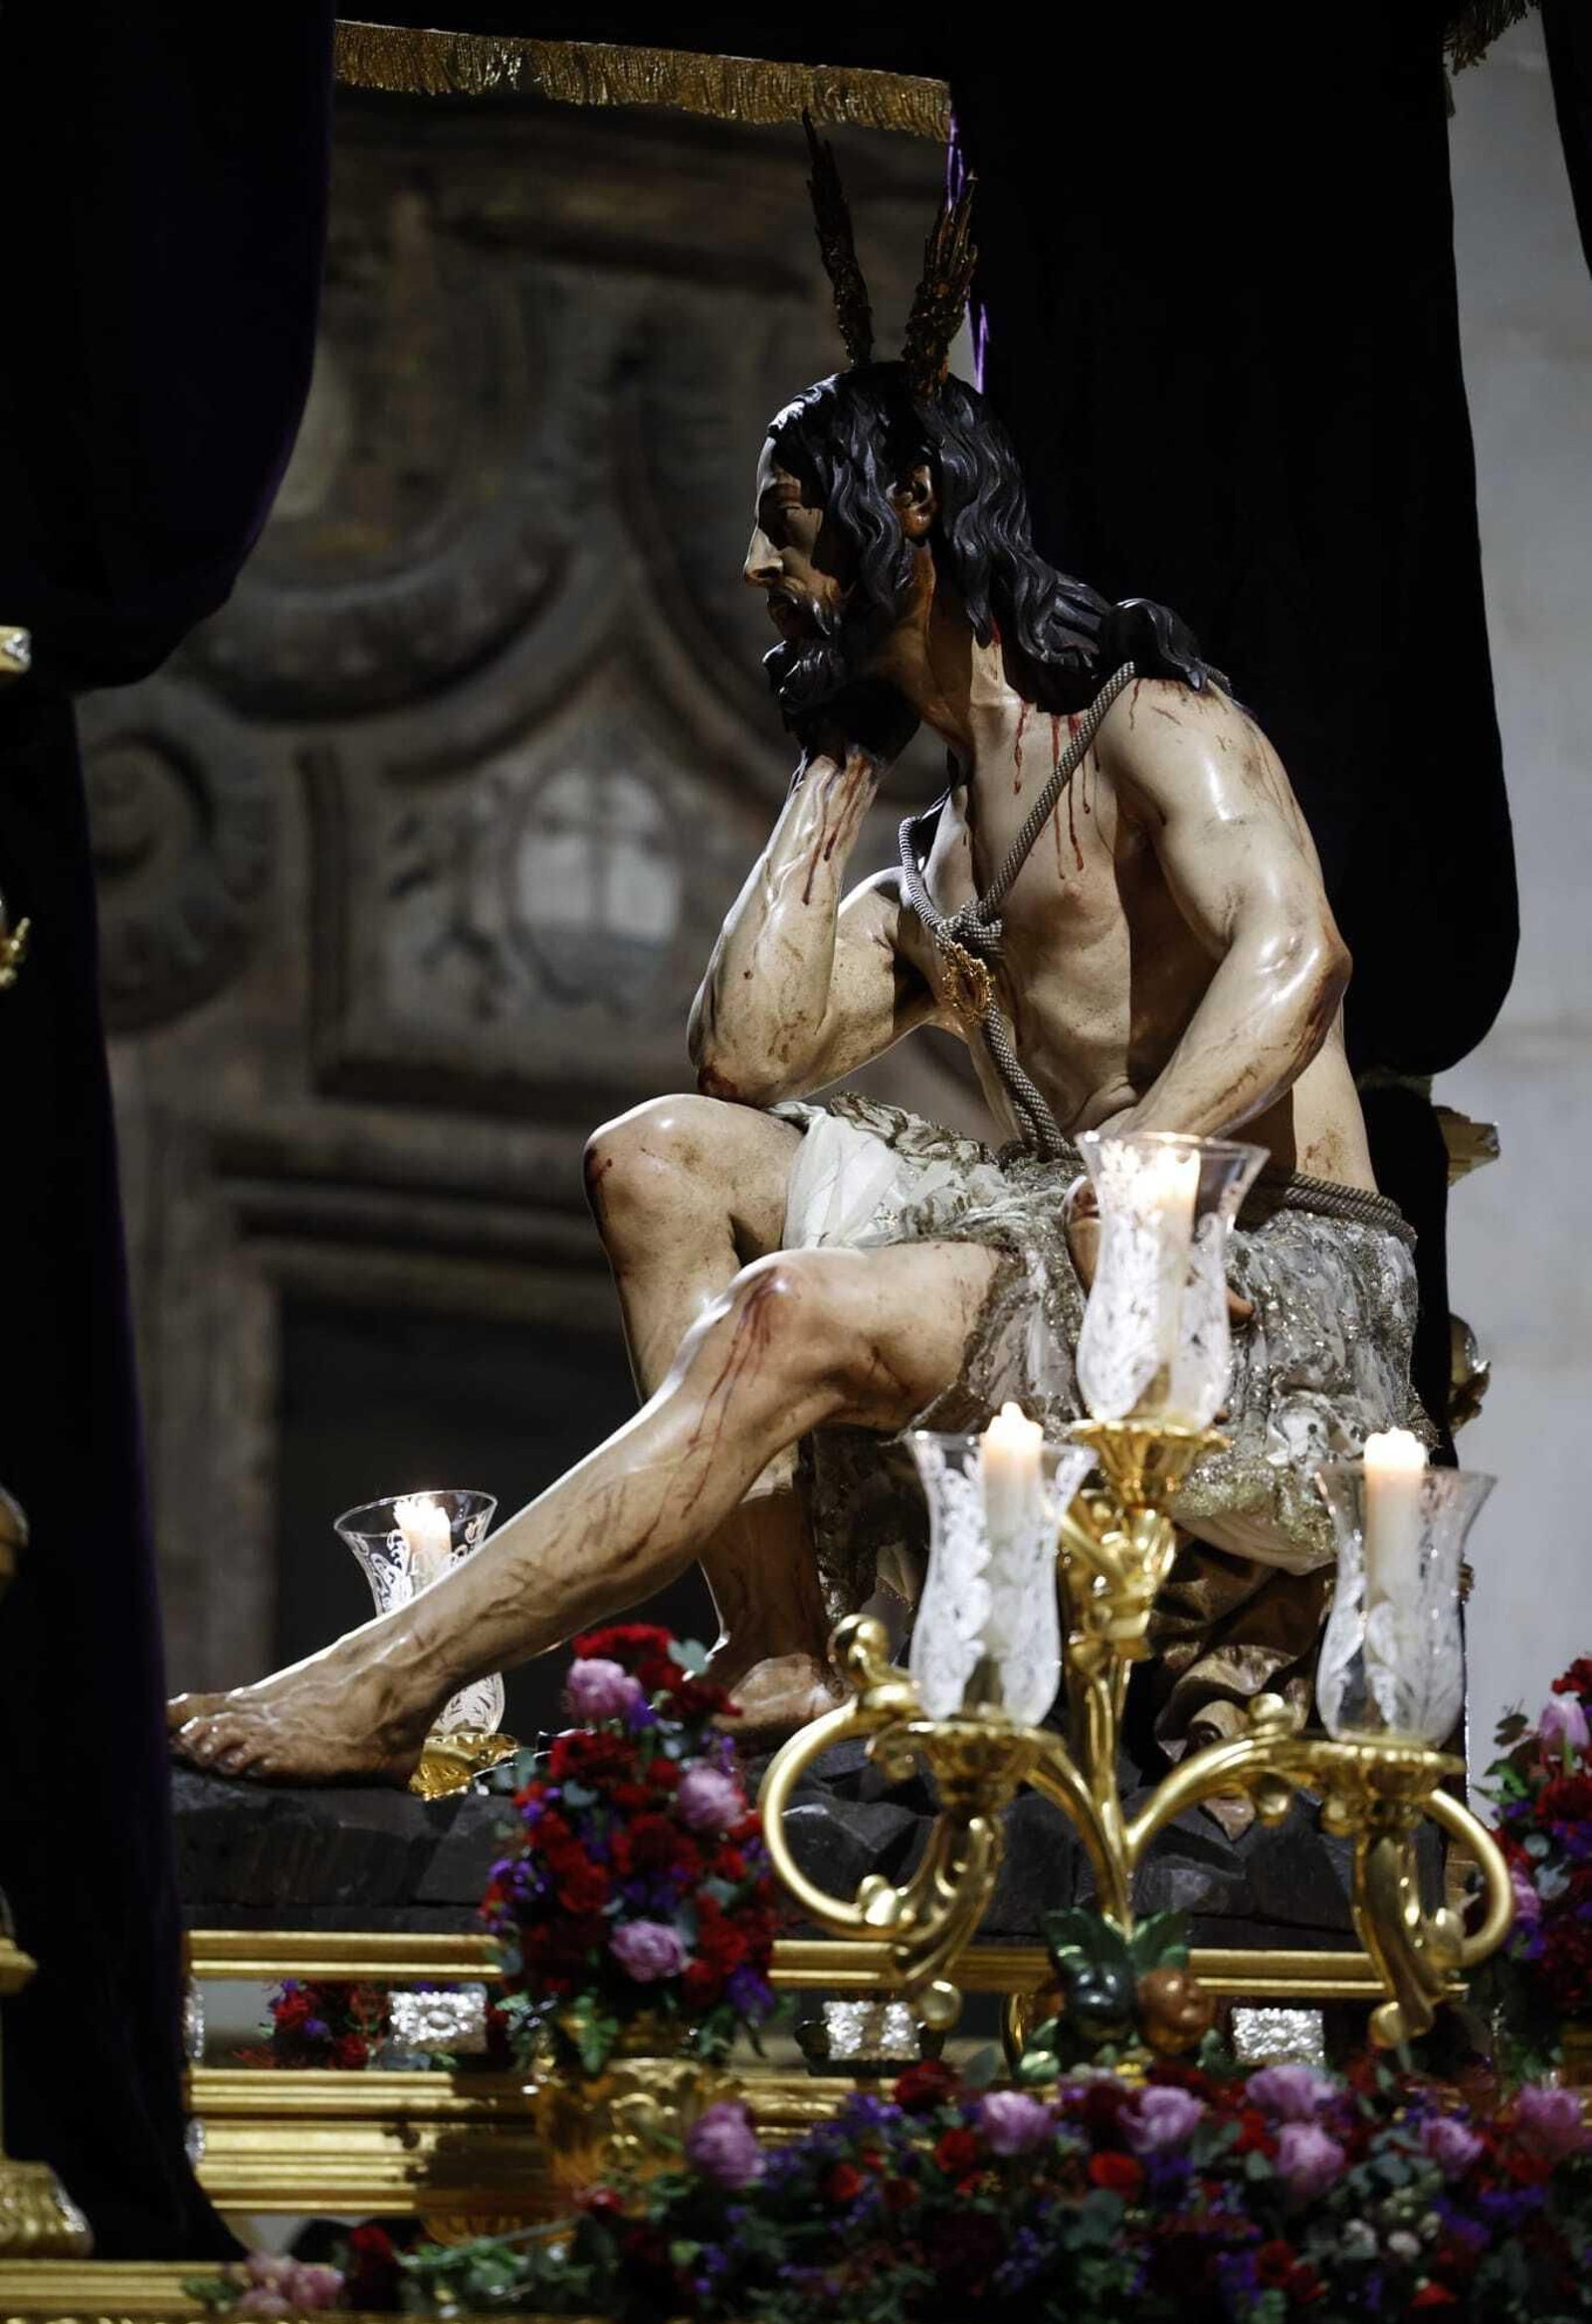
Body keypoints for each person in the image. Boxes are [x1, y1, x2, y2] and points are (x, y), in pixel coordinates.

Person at [170, 144, 1422, 1788]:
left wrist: (1142, 1171)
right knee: (657, 1158)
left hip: (1269, 1270)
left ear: (912, 507)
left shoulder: (1147, 720)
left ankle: (392, 1680)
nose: (762, 568)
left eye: (788, 521)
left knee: (784, 1315)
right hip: (1070, 1237)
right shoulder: (943, 852)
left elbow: (1300, 953)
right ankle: (773, 1643)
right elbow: (745, 1056)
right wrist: (836, 761)